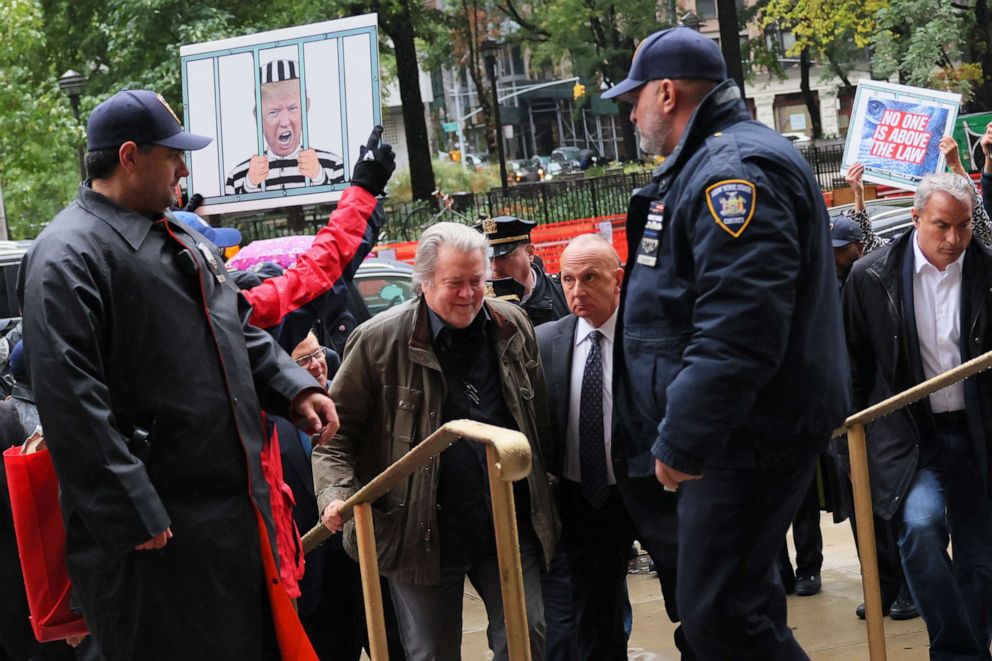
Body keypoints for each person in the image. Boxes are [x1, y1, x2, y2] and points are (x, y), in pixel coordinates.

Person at [17, 89, 339, 660]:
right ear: (130, 156)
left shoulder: (180, 235)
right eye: (174, 155)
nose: (184, 169)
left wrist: (293, 388)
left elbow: (236, 328)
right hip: (151, 538)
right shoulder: (66, 254)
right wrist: (131, 510)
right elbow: (71, 402)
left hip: (228, 526)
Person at [602, 28, 850, 658]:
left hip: (744, 434)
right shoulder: (713, 162)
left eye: (633, 99)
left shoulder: (730, 171)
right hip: (739, 430)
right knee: (738, 606)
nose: (630, 114)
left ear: (665, 93)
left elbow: (740, 327)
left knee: (720, 617)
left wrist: (686, 435)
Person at [312, 222, 559, 661]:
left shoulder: (511, 323)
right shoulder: (377, 341)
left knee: (529, 637)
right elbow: (335, 435)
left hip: (507, 518)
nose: (468, 294)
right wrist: (337, 495)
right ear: (424, 282)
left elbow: (537, 418)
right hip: (419, 529)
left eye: (477, 281)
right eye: (454, 283)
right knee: (431, 653)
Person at [844, 172, 992, 658]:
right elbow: (856, 367)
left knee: (980, 561)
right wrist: (850, 449)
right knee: (921, 530)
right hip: (911, 439)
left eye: (964, 226)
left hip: (977, 435)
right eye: (942, 226)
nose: (954, 239)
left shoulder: (988, 271)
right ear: (915, 219)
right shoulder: (871, 276)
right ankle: (960, 651)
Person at [535, 234, 684, 660]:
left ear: (617, 280)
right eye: (567, 279)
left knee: (693, 604)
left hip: (657, 492)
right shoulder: (546, 342)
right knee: (596, 619)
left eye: (589, 278)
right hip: (586, 502)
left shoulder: (653, 334)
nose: (577, 291)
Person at [278, 332, 406, 660]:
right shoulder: (270, 421)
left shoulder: (355, 398)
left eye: (318, 353)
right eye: (303, 360)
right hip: (315, 571)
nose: (317, 364)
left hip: (369, 557)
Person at [226, 59, 345, 194]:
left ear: (305, 108)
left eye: (292, 108)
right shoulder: (237, 178)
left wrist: (319, 177)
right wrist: (249, 184)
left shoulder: (334, 167)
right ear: (258, 116)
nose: (284, 122)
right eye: (273, 112)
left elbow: (344, 210)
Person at [475, 216, 568, 326]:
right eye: (489, 258)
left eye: (504, 257)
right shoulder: (478, 303)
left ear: (529, 253)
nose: (494, 267)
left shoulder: (564, 294)